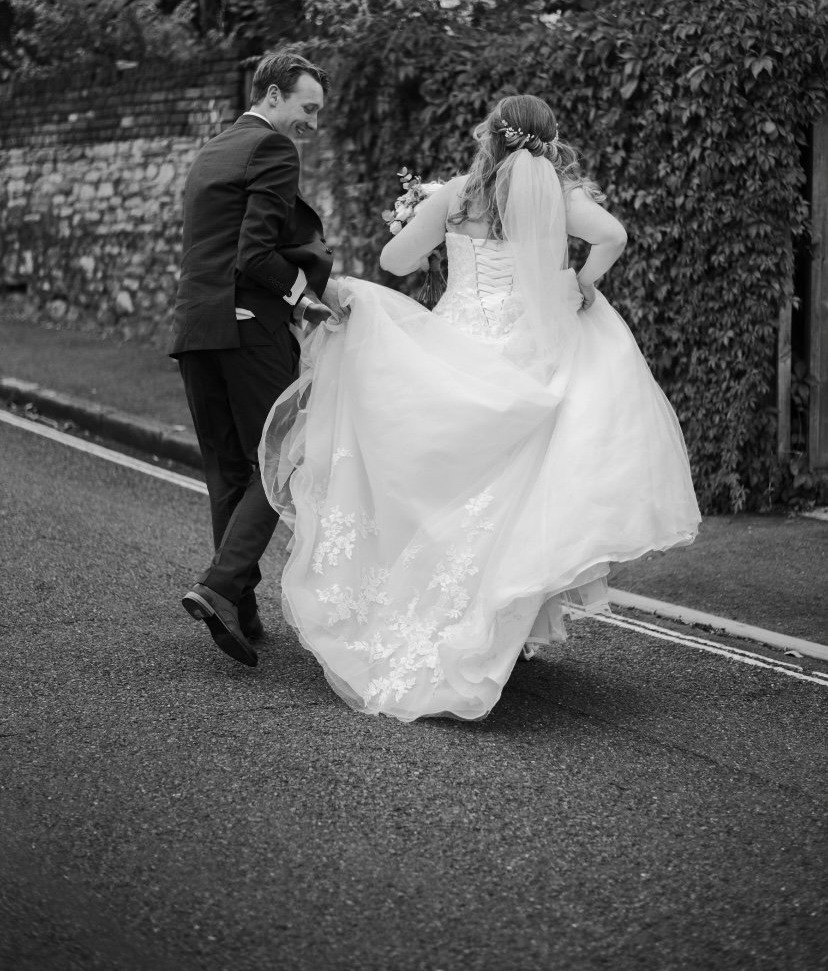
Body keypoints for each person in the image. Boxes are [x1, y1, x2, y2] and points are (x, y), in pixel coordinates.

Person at [260, 94, 701, 720]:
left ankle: (432, 619)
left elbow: (394, 262)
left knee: (445, 488)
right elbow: (613, 236)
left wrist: (422, 217)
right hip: (532, 348)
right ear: (548, 142)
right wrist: (584, 281)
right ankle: (494, 624)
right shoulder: (559, 196)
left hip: (459, 342)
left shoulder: (455, 195)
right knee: (517, 493)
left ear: (489, 137)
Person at [171, 50, 336, 668]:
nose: (312, 124)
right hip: (246, 328)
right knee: (282, 455)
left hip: (195, 326)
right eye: (307, 108)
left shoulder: (214, 148)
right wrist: (305, 299)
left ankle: (238, 606)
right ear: (272, 95)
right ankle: (219, 586)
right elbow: (253, 256)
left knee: (227, 471)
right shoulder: (272, 151)